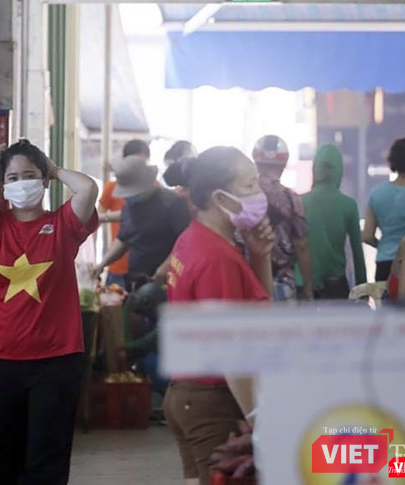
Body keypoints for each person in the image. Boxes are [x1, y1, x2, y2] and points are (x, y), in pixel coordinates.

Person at [0, 139, 98, 484]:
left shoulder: (63, 225)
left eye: (30, 175)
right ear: (2, 186)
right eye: (12, 177)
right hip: (2, 360)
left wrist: (54, 169)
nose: (21, 183)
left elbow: (88, 189)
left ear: (44, 181)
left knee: (46, 457)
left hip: (56, 362)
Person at [163, 147, 274, 485]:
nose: (260, 193)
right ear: (220, 198)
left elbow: (256, 311)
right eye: (249, 185)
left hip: (188, 395)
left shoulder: (197, 238)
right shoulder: (216, 258)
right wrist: (257, 418)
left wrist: (259, 257)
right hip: (213, 398)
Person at [93, 156, 191, 289]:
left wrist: (165, 268)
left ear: (149, 182)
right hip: (136, 278)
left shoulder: (172, 203)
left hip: (167, 281)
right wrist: (102, 264)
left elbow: (186, 241)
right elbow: (124, 239)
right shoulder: (130, 206)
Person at [300, 144, 367, 299]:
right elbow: (357, 254)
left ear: (314, 168)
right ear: (339, 171)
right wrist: (363, 294)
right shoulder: (349, 205)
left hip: (303, 282)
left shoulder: (300, 202)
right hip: (336, 285)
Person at [252, 135, 314, 301]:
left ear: (256, 163)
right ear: (284, 164)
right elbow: (301, 245)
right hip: (282, 284)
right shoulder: (291, 199)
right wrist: (308, 288)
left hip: (248, 282)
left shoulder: (241, 196)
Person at [98, 140, 152, 287]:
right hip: (117, 265)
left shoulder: (155, 190)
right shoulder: (112, 187)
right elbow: (95, 219)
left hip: (146, 268)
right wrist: (92, 253)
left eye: (141, 163)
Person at [363, 137, 405, 282]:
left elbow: (367, 236)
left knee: (385, 296)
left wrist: (383, 246)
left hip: (384, 262)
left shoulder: (377, 193)